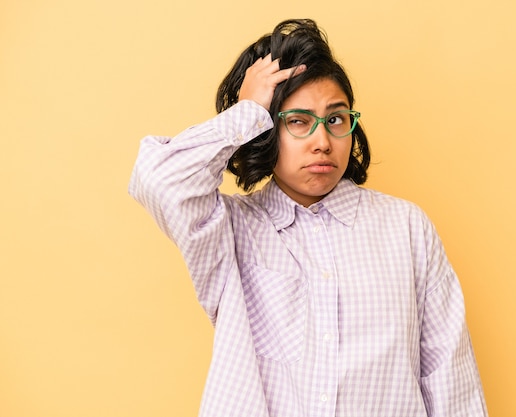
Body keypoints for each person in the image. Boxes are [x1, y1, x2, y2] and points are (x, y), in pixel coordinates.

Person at [129, 18, 488, 417]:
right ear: (267, 130)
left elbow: (450, 379)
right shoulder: (229, 231)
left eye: (335, 119)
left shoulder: (406, 228)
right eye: (298, 121)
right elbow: (159, 181)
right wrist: (246, 112)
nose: (322, 142)